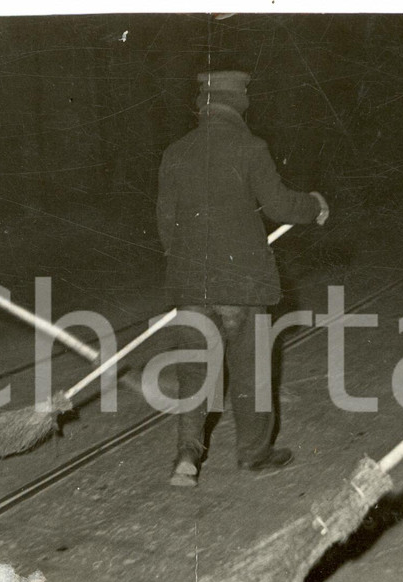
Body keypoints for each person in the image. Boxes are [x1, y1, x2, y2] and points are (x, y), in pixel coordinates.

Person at [157, 69, 329, 487]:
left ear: (201, 105)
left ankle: (186, 455)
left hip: (191, 283)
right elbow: (279, 206)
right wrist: (315, 205)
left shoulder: (175, 151)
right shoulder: (251, 147)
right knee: (250, 369)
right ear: (240, 103)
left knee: (194, 371)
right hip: (242, 285)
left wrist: (187, 264)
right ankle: (254, 453)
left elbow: (166, 222)